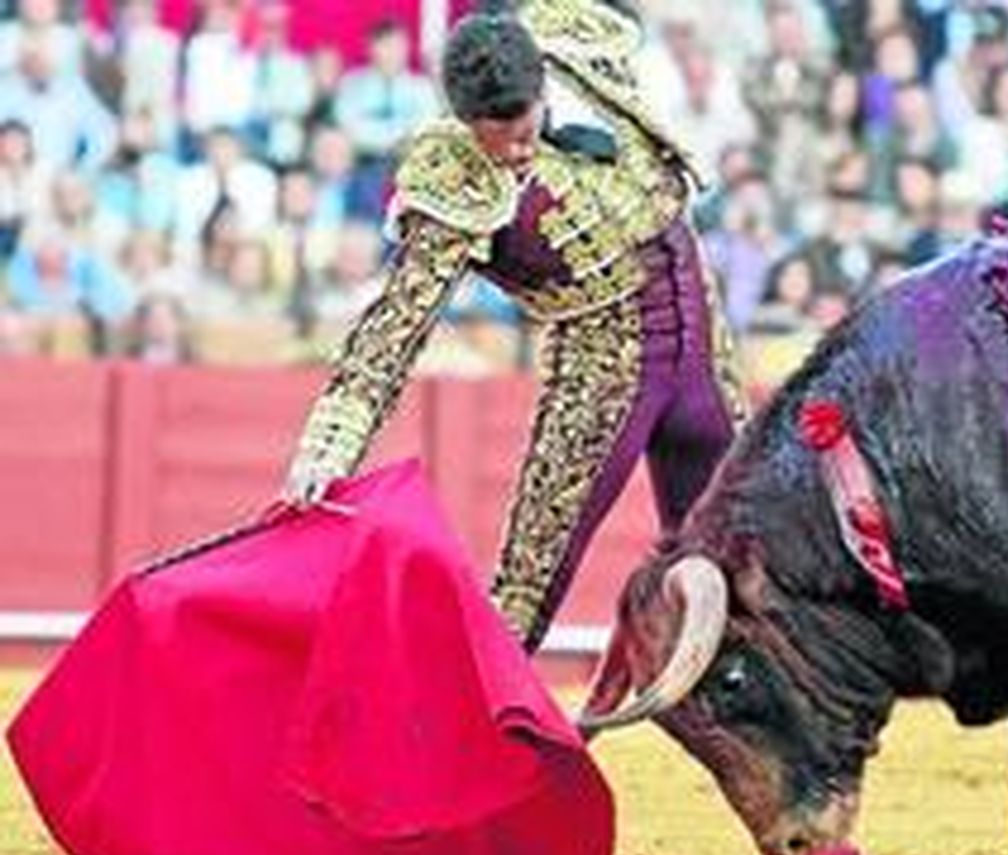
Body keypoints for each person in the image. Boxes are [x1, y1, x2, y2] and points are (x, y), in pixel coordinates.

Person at [283, 0, 745, 651]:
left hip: (705, 340)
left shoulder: (573, 47)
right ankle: (463, 748)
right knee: (523, 598)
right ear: (467, 123)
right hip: (603, 372)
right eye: (499, 143)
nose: (520, 154)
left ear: (541, 87)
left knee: (743, 564)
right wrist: (328, 444)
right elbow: (397, 322)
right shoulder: (451, 175)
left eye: (527, 130)